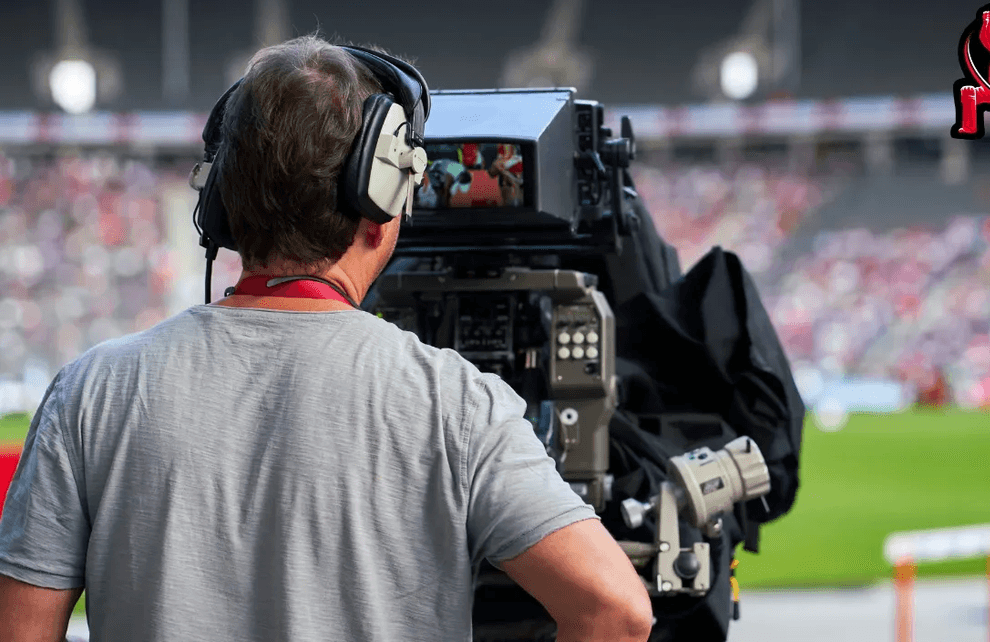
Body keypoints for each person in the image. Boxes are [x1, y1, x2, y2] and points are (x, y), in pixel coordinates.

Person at [0, 36, 652, 642]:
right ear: (381, 198)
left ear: (221, 202)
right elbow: (616, 612)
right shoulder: (456, 403)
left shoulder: (90, 391)